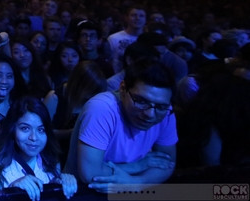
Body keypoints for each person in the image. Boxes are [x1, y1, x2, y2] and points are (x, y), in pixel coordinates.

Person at [64, 58, 177, 192]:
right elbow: (91, 173)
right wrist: (137, 167)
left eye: (161, 106)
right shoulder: (102, 108)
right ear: (123, 89)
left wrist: (137, 183)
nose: (150, 114)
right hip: (82, 192)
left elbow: (168, 163)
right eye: (141, 101)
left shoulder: (165, 111)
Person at [0, 96, 77, 200]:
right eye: (25, 128)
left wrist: (60, 185)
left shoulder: (51, 160)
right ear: (12, 129)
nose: (34, 138)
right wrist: (12, 190)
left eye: (41, 130)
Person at [10, 40, 57, 119]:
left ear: (32, 53)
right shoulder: (11, 80)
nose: (22, 55)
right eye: (16, 52)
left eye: (26, 50)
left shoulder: (44, 78)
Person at [107, 6, 146, 73]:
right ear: (126, 18)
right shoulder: (114, 38)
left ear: (145, 19)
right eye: (133, 15)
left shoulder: (148, 40)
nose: (137, 18)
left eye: (141, 16)